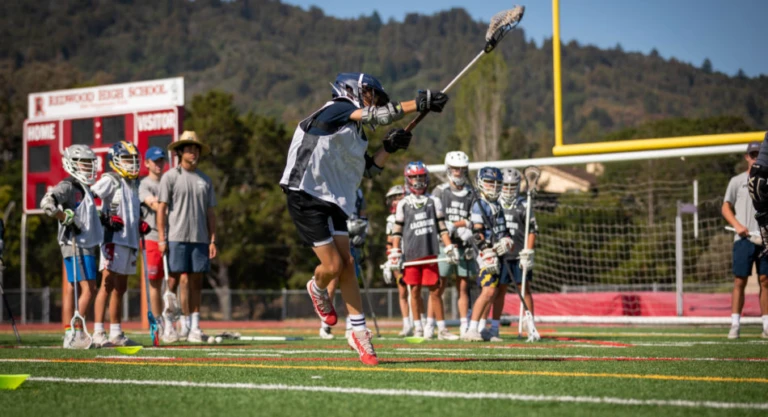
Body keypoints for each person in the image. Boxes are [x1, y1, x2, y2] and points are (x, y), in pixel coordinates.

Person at [280, 72, 448, 365]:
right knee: (332, 265)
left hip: (332, 198)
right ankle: (317, 288)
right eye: (371, 94)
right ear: (352, 89)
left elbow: (369, 170)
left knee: (348, 263)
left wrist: (389, 148)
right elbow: (380, 116)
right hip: (305, 192)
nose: (374, 101)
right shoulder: (337, 108)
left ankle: (358, 331)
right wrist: (420, 103)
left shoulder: (354, 135)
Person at [157, 131, 217, 343]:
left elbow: (211, 212)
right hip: (176, 237)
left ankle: (194, 328)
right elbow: (161, 209)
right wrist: (162, 239)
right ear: (180, 152)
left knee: (196, 283)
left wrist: (212, 240)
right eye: (189, 149)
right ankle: (169, 325)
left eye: (196, 149)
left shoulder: (205, 180)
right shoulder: (170, 177)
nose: (193, 153)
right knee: (172, 281)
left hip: (200, 239)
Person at [41, 145, 103, 348]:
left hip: (84, 242)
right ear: (73, 164)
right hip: (75, 242)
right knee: (89, 289)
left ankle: (70, 333)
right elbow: (47, 203)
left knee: (72, 287)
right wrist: (63, 216)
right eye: (84, 163)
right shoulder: (68, 185)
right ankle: (77, 332)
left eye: (89, 163)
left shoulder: (84, 187)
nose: (88, 168)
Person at [389, 162, 459, 338]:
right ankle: (418, 326)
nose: (418, 180)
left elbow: (442, 227)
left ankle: (441, 328)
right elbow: (397, 230)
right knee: (414, 291)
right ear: (408, 179)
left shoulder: (433, 201)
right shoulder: (403, 203)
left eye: (420, 176)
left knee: (435, 291)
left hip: (430, 252)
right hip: (412, 254)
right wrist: (396, 251)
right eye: (414, 176)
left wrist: (449, 246)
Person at [90, 141, 149, 347]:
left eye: (133, 160)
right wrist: (103, 218)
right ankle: (98, 331)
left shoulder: (133, 184)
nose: (131, 164)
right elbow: (88, 198)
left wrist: (139, 224)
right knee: (107, 284)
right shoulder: (110, 179)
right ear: (115, 161)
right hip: (113, 240)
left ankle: (116, 332)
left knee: (121, 288)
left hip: (129, 241)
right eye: (126, 159)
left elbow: (130, 211)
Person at [462, 167, 514, 342]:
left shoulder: (497, 204)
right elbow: (477, 233)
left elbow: (503, 230)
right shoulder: (479, 204)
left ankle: (483, 328)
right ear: (481, 183)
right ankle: (472, 328)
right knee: (487, 291)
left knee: (492, 293)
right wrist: (486, 250)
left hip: (495, 254)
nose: (493, 186)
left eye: (496, 183)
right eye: (490, 182)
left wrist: (506, 241)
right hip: (484, 255)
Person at [487, 168, 537, 342]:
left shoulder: (524, 204)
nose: (508, 189)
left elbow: (532, 230)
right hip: (501, 255)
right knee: (498, 291)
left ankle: (530, 325)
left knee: (525, 290)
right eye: (506, 185)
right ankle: (494, 328)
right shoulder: (494, 203)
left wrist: (528, 252)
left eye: (512, 186)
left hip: (518, 255)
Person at [727, 141, 768, 339]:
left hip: (764, 237)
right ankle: (735, 323)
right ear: (746, 157)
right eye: (752, 155)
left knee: (765, 280)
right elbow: (725, 207)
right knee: (739, 280)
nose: (755, 158)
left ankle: (767, 325)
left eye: (758, 154)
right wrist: (737, 225)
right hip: (743, 238)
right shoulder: (737, 181)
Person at [432, 151, 475, 339]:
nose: (458, 172)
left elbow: (475, 218)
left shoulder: (471, 193)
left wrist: (461, 225)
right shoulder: (440, 192)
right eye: (455, 169)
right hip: (444, 244)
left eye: (461, 169)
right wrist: (448, 227)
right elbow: (434, 217)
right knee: (438, 285)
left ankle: (464, 325)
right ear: (448, 169)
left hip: (464, 243)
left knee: (463, 287)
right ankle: (433, 325)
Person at [319, 188, 367, 340]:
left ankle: (350, 326)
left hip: (352, 240)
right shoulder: (332, 185)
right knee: (332, 281)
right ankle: (325, 324)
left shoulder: (358, 193)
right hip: (334, 235)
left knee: (350, 278)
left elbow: (363, 217)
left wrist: (361, 234)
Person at [139, 146, 175, 342]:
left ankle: (174, 321)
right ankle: (159, 320)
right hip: (152, 237)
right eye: (155, 161)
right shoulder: (144, 184)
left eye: (161, 160)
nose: (159, 164)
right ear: (147, 163)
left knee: (173, 280)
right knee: (155, 281)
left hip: (173, 235)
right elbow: (154, 204)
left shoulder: (170, 181)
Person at [383, 185, 411, 336]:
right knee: (402, 291)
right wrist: (390, 261)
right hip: (399, 257)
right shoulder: (391, 219)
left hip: (413, 254)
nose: (395, 201)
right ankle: (407, 323)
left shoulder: (412, 213)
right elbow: (389, 242)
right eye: (393, 198)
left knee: (415, 290)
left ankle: (420, 321)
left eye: (399, 197)